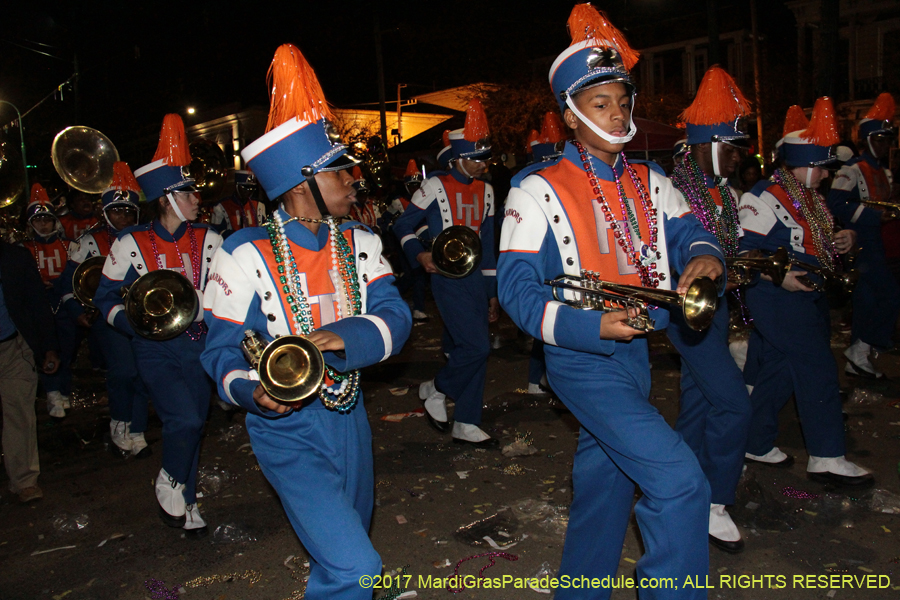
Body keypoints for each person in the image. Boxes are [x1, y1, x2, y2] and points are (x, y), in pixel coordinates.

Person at [498, 6, 723, 598]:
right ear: (570, 115)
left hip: (636, 353)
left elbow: (690, 231)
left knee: (606, 485)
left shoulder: (651, 179)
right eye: (601, 104)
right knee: (680, 483)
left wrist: (706, 256)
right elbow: (515, 290)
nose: (617, 113)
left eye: (622, 101)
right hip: (581, 357)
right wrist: (590, 326)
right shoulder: (536, 186)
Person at [201, 43, 411, 600]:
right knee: (356, 566)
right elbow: (222, 346)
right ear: (300, 187)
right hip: (286, 428)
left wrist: (347, 335)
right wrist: (251, 389)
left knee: (342, 551)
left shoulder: (362, 241)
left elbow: (395, 315)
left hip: (351, 414)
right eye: (338, 172)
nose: (352, 181)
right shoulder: (242, 252)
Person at [94, 114, 223, 537]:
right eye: (189, 192)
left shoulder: (211, 238)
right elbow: (104, 298)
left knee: (195, 424)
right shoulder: (129, 242)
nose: (197, 198)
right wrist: (137, 327)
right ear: (168, 197)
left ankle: (186, 499)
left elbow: (224, 292)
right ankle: (169, 479)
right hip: (154, 348)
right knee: (182, 420)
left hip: (200, 344)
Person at [739, 97, 873, 487]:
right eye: (820, 167)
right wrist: (776, 277)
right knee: (817, 369)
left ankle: (755, 440)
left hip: (807, 294)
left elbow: (820, 241)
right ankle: (827, 456)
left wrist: (845, 238)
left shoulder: (812, 199)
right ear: (799, 163)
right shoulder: (762, 195)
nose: (826, 175)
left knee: (781, 368)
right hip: (776, 297)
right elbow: (744, 253)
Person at [668, 65, 753, 554]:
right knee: (733, 402)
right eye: (730, 147)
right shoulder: (674, 189)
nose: (738, 157)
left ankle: (681, 486)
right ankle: (713, 501)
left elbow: (728, 249)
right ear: (703, 144)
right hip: (688, 312)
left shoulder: (724, 192)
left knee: (699, 403)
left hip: (714, 308)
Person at [393, 98, 500, 447]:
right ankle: (437, 389)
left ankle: (466, 421)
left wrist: (491, 292)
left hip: (474, 278)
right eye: (477, 158)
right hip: (445, 275)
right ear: (458, 158)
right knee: (478, 347)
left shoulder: (487, 190)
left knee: (465, 349)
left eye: (485, 157)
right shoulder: (435, 185)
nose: (484, 164)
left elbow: (489, 242)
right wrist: (420, 254)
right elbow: (403, 224)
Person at [58, 162, 151, 457]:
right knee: (123, 372)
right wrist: (76, 312)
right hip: (108, 318)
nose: (122, 216)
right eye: (116, 210)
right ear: (106, 212)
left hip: (143, 316)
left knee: (142, 374)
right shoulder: (88, 241)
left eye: (127, 211)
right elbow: (66, 283)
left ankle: (137, 430)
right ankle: (120, 422)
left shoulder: (147, 239)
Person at [828, 92, 899, 378]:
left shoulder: (886, 173)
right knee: (890, 295)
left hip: (879, 242)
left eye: (887, 140)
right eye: (878, 139)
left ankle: (857, 356)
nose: (883, 145)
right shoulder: (852, 168)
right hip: (860, 243)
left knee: (867, 301)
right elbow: (836, 204)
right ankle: (865, 348)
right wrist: (873, 216)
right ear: (867, 139)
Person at [0, 240, 60, 503]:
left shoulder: (14, 257)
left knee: (19, 413)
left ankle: (24, 480)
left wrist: (48, 347)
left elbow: (37, 301)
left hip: (12, 347)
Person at [21, 184, 73, 418]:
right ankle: (52, 392)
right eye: (38, 219)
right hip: (39, 301)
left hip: (64, 300)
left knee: (67, 346)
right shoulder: (23, 248)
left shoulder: (70, 245)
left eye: (47, 219)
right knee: (46, 346)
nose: (43, 224)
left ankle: (64, 389)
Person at [382, 159, 429, 321]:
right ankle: (399, 298)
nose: (415, 188)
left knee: (418, 274)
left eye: (418, 185)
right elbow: (384, 220)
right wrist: (392, 227)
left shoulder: (426, 198)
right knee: (414, 274)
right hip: (405, 244)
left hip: (423, 242)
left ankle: (416, 306)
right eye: (412, 185)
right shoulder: (398, 201)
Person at [210, 169, 266, 237]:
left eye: (252, 188)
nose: (249, 191)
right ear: (236, 186)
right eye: (245, 187)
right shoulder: (221, 207)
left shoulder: (259, 206)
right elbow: (216, 232)